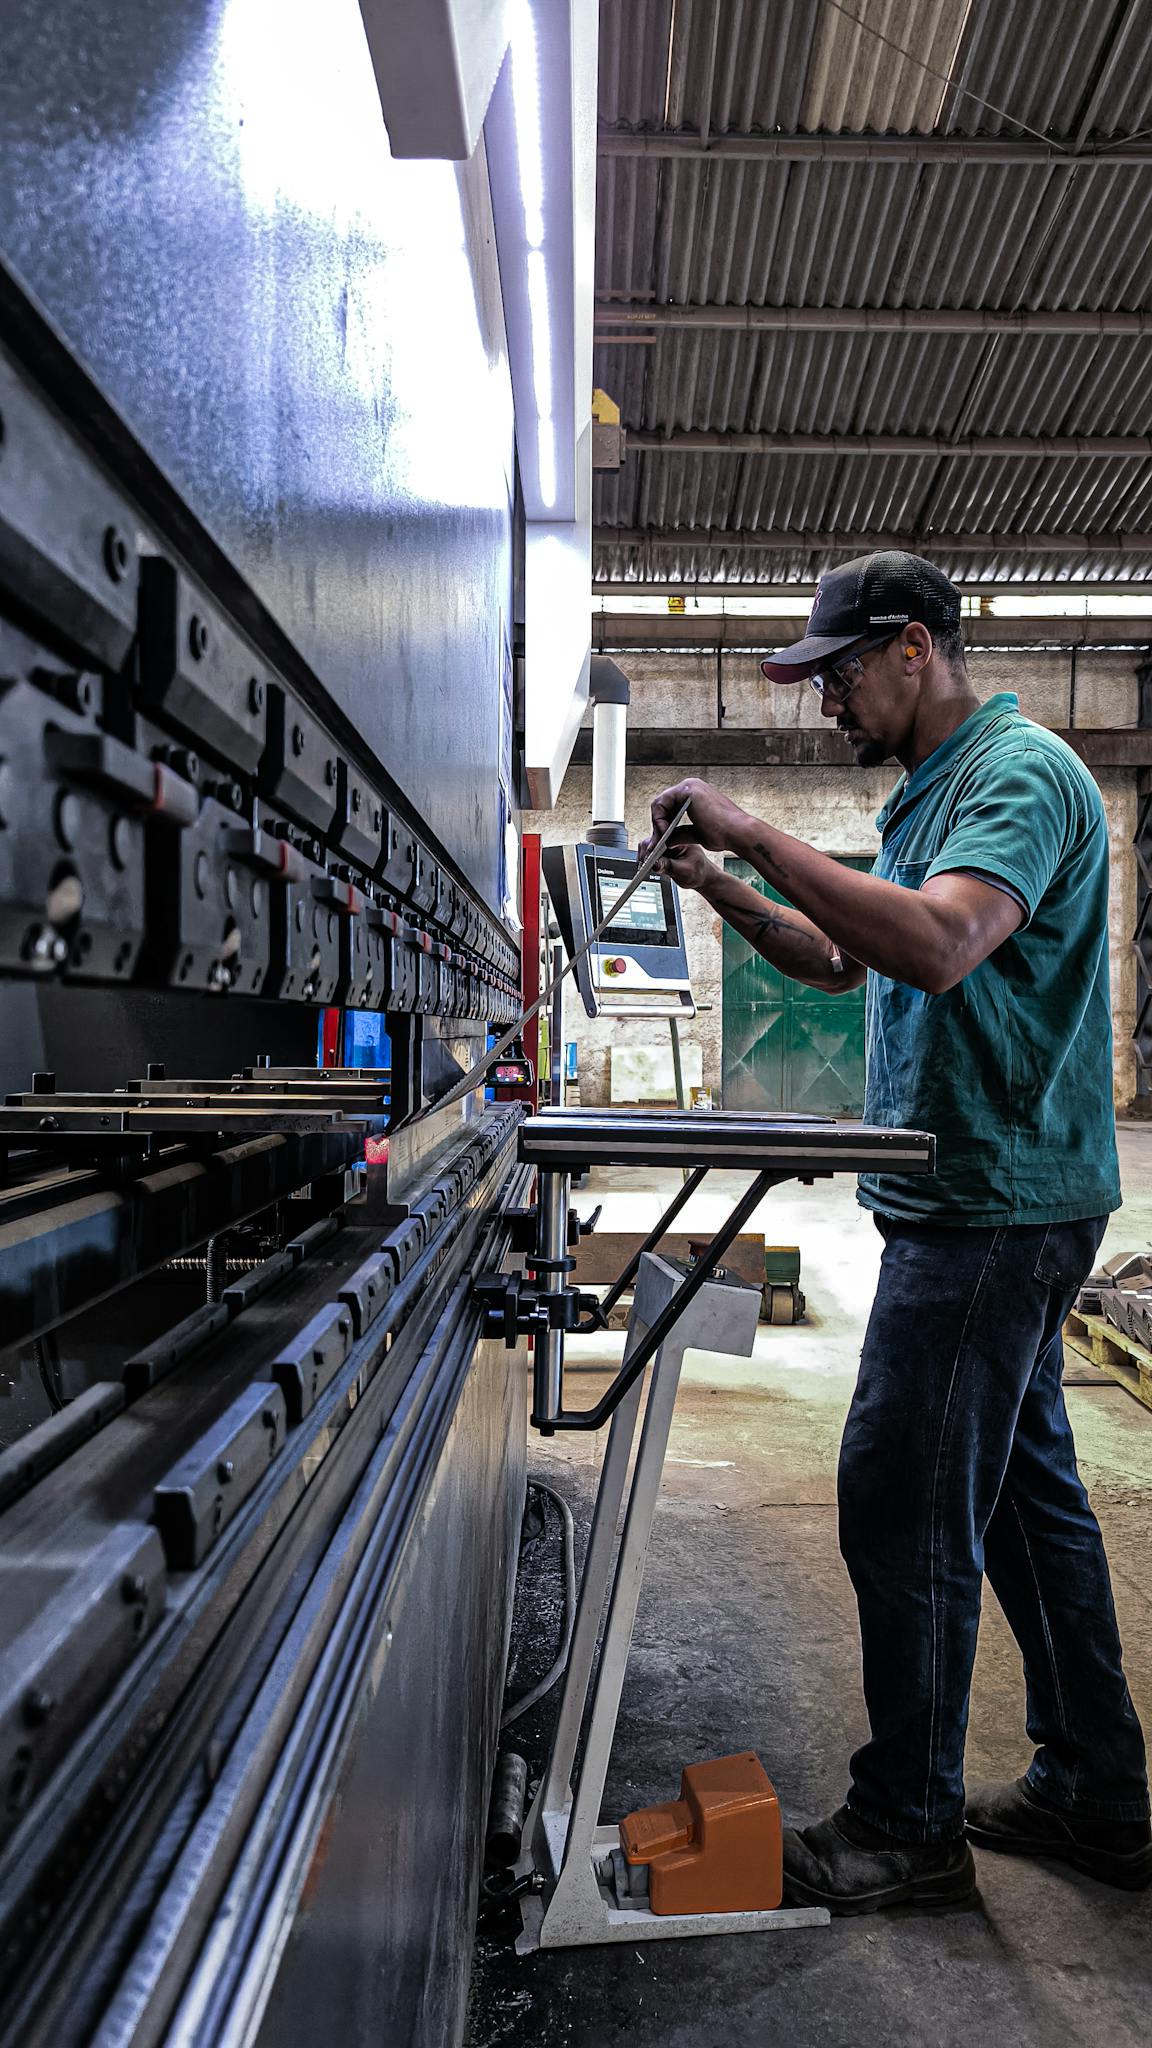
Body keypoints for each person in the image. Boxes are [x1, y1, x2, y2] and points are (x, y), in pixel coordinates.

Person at [640, 550, 1151, 1914]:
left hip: (994, 1207)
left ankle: (909, 1825)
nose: (827, 704)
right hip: (975, 1200)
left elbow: (937, 943)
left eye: (841, 674)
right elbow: (842, 957)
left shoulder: (1021, 776)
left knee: (904, 1497)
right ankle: (1100, 1793)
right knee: (1026, 1509)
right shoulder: (933, 791)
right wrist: (722, 884)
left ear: (914, 647)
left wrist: (759, 830)